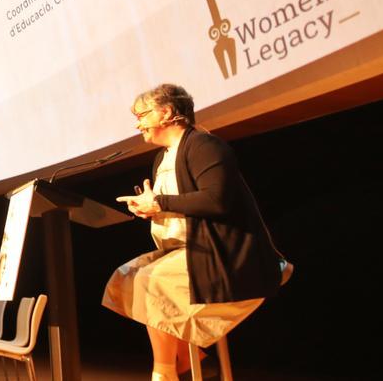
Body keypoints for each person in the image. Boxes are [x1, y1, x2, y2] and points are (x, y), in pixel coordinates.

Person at [104, 84, 290, 381]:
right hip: (183, 249)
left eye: (142, 114)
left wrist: (159, 203)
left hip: (224, 253)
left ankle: (164, 373)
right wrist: (149, 208)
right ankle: (192, 361)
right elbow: (176, 204)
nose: (138, 123)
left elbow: (217, 200)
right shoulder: (162, 158)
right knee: (125, 276)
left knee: (151, 281)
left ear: (166, 112)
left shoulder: (204, 146)